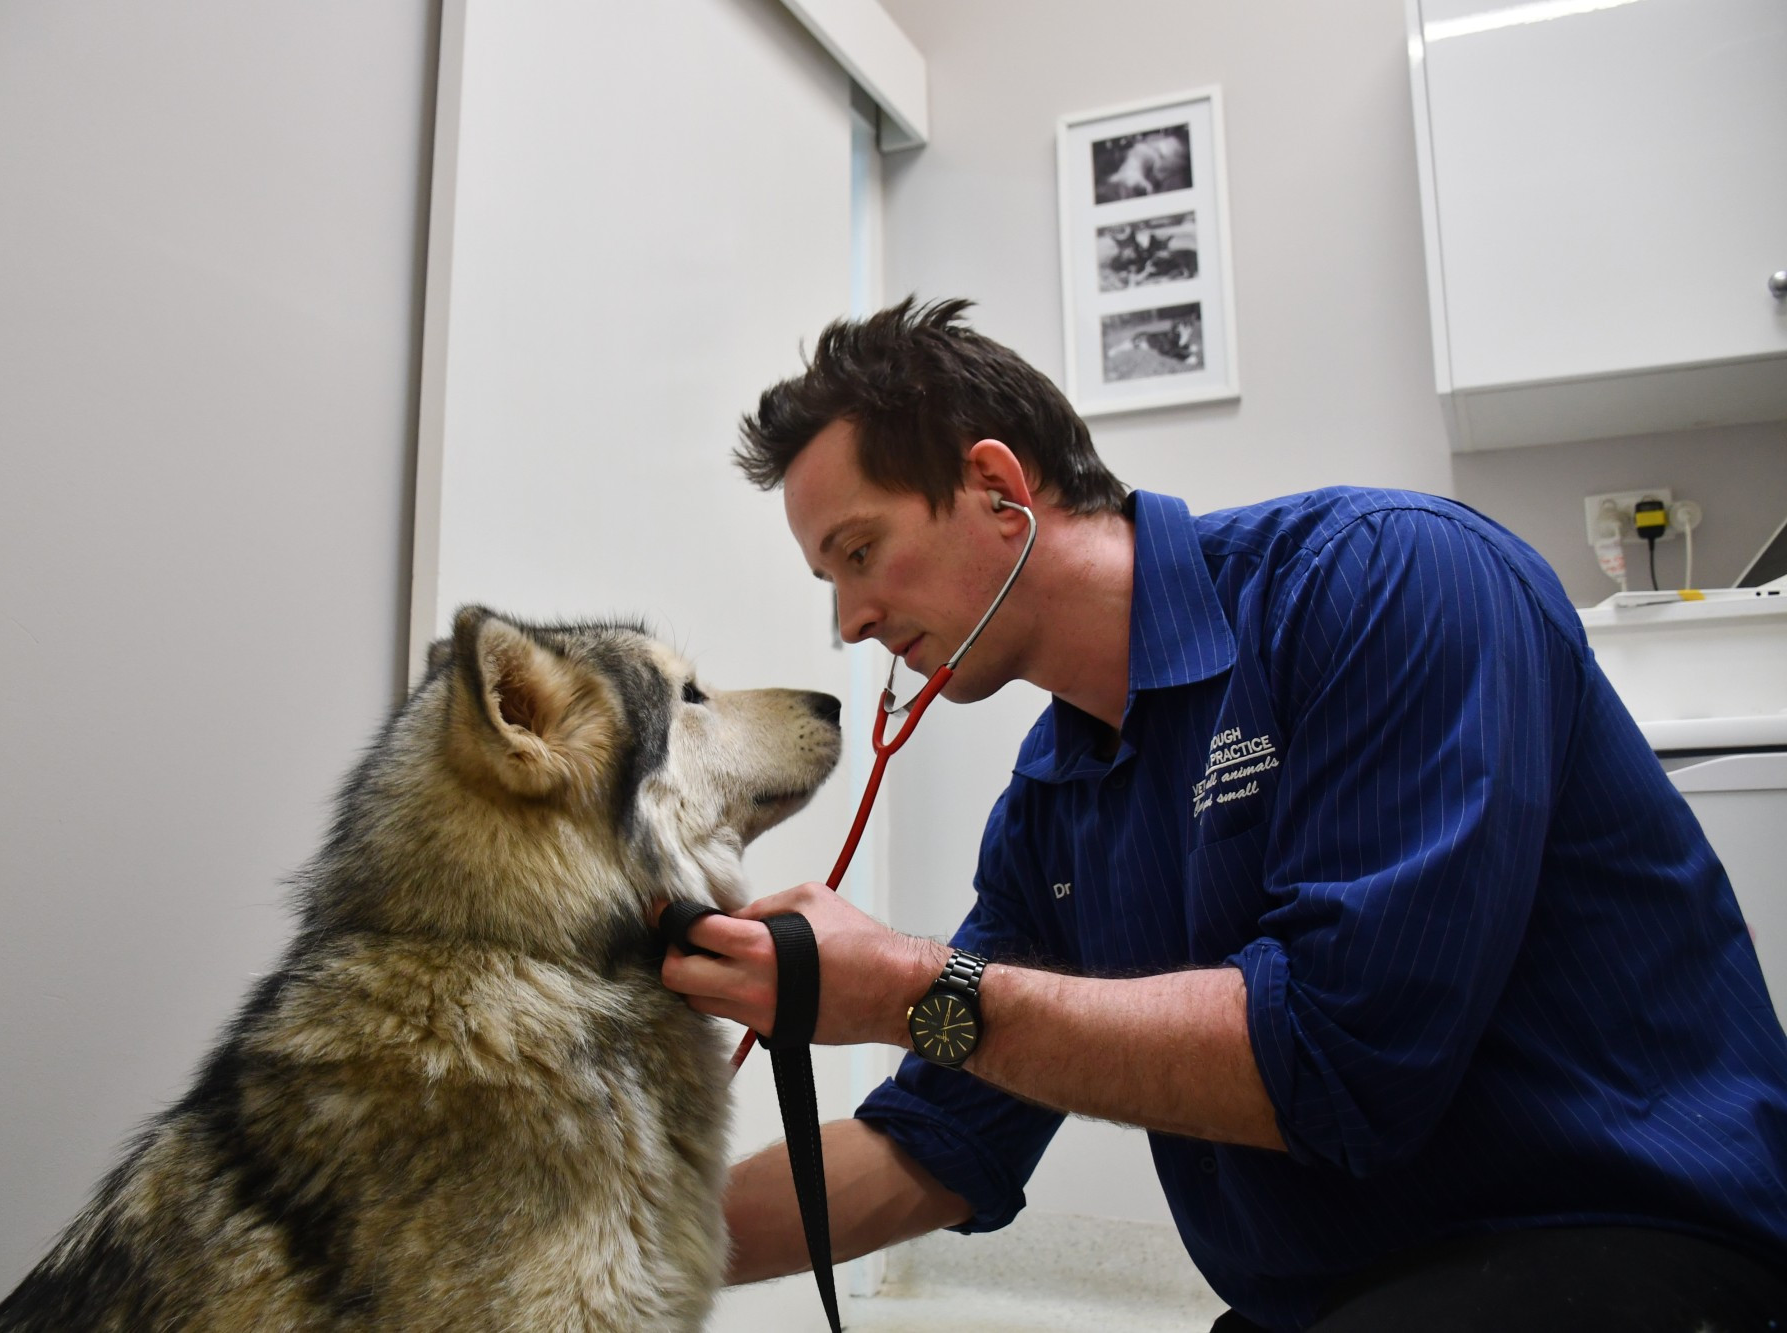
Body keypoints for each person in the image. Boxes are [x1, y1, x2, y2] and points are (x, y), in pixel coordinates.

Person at [655, 298, 1787, 1331]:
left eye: (859, 553)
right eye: (828, 581)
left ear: (997, 487)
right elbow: (947, 1135)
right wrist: (601, 1246)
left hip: (1635, 1243)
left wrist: (905, 987)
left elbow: (1342, 1057)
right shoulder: (1053, 807)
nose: (849, 622)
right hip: (1332, 1300)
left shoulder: (1387, 581)